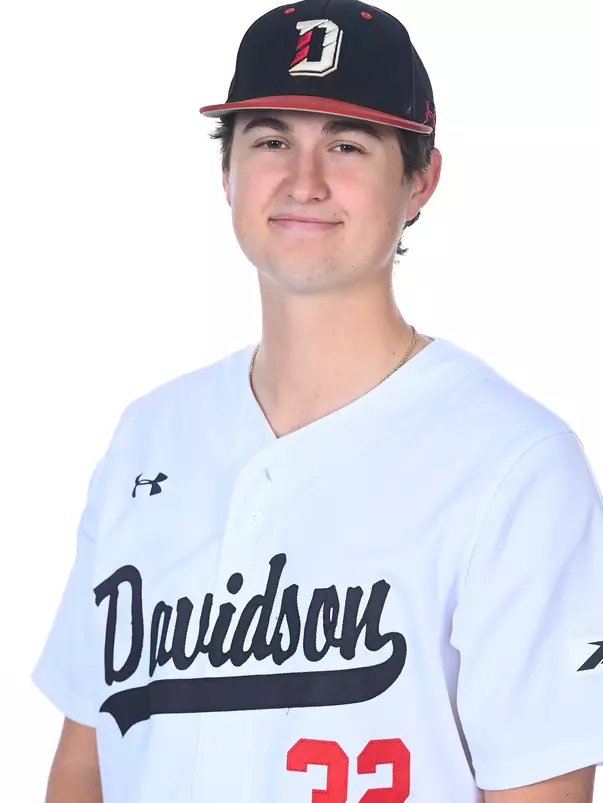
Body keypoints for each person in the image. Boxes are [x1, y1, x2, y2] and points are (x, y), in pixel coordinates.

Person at [31, 1, 603, 801]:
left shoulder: (515, 462)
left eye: (346, 144)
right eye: (270, 140)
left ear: (419, 180)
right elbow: (85, 760)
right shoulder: (149, 436)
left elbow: (540, 788)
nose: (303, 181)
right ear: (226, 171)